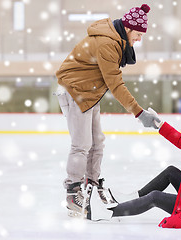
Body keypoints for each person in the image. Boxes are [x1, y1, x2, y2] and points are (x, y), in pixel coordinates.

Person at [55, 3, 159, 217]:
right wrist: (139, 113)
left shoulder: (116, 40)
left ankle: (90, 184)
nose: (139, 39)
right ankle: (73, 193)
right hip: (75, 89)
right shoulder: (107, 44)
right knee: (81, 144)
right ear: (128, 29)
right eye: (138, 34)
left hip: (89, 91)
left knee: (97, 141)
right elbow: (116, 85)